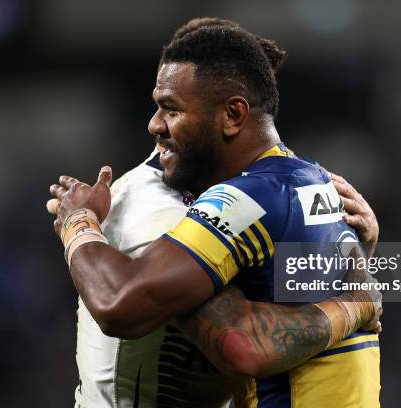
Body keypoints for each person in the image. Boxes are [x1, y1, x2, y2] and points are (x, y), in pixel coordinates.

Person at [49, 21, 381, 407]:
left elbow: (235, 344)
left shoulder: (237, 198)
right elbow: (301, 286)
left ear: (234, 113)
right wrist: (358, 283)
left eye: (171, 108)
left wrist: (77, 223)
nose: (153, 124)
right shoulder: (315, 180)